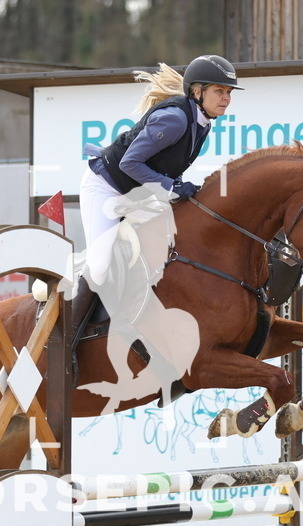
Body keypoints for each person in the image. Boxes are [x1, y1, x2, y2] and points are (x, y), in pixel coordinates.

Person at [72, 54, 243, 349]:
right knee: (100, 264)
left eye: (228, 93)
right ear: (197, 92)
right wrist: (172, 187)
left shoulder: (202, 123)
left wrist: (172, 188)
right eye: (219, 91)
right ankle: (64, 339)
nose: (226, 99)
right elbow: (129, 163)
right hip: (106, 189)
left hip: (137, 194)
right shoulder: (176, 119)